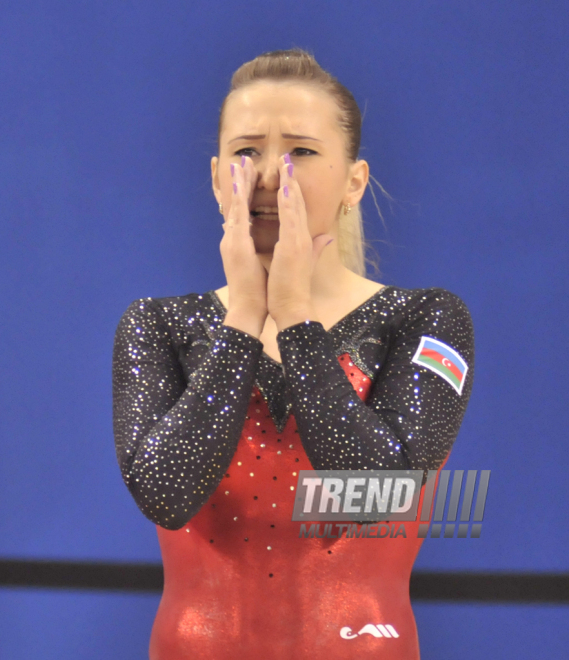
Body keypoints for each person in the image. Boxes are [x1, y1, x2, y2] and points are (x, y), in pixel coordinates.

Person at [112, 48, 474, 660]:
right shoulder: (158, 325)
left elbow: (377, 491)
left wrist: (297, 319)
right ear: (214, 175)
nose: (270, 176)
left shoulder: (426, 319)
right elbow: (165, 494)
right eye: (246, 151)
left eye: (300, 152)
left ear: (354, 180)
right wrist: (246, 317)